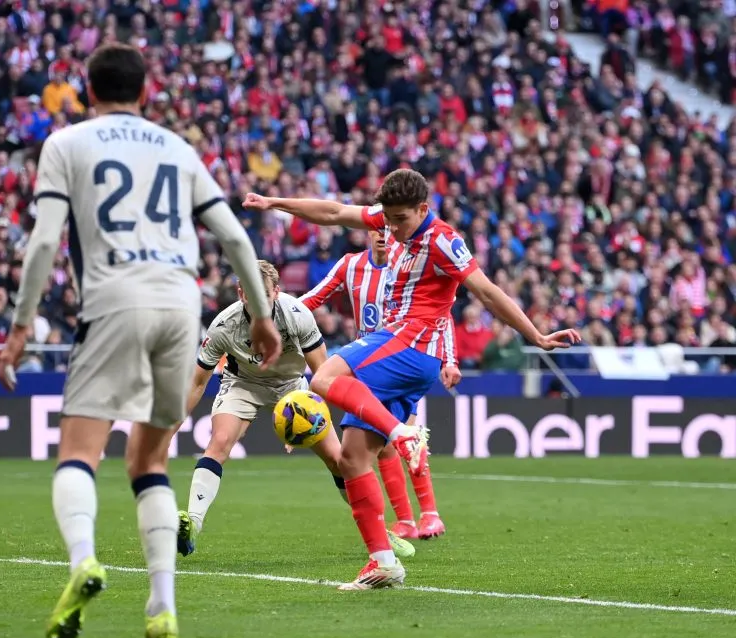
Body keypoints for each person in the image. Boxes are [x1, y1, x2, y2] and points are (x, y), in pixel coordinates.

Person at [0, 44, 282, 638]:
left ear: (87, 91)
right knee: (149, 461)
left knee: (80, 450)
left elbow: (45, 243)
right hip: (181, 308)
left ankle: (82, 561)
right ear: (145, 92)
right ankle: (161, 609)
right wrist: (261, 314)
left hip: (113, 300)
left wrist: (21, 327)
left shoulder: (66, 144)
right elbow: (232, 234)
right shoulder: (178, 148)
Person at [244, 169, 580, 590]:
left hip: (411, 343)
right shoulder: (387, 219)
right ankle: (383, 563)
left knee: (323, 378)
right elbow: (331, 212)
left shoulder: (443, 239)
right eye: (389, 218)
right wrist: (276, 204)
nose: (393, 228)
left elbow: (487, 291)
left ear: (423, 209)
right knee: (353, 459)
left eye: (402, 219)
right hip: (406, 353)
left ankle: (403, 435)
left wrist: (536, 336)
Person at [177, 259, 399, 555]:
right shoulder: (223, 326)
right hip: (244, 383)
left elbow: (324, 376)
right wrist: (171, 424)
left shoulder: (298, 316)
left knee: (339, 461)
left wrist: (303, 423)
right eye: (251, 294)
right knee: (219, 442)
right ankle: (192, 522)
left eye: (264, 295)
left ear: (277, 292)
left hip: (292, 387)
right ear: (241, 292)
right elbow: (196, 383)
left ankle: (379, 530)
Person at [300, 228, 459, 540]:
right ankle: (406, 522)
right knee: (381, 447)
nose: (383, 236)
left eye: (387, 229)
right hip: (368, 364)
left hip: (403, 359)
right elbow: (314, 298)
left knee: (396, 438)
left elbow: (443, 312)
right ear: (367, 233)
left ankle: (429, 514)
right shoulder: (350, 265)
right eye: (376, 230)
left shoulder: (409, 266)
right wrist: (276, 312)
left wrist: (449, 358)